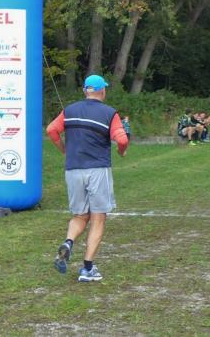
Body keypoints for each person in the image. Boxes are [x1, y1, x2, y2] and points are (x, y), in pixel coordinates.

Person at [46, 75, 129, 282]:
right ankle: (87, 268)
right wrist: (121, 151)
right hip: (97, 170)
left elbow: (51, 130)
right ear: (103, 91)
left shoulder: (69, 110)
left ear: (85, 91)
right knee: (98, 218)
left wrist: (64, 150)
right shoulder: (109, 113)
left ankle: (68, 242)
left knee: (80, 216)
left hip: (73, 170)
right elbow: (122, 139)